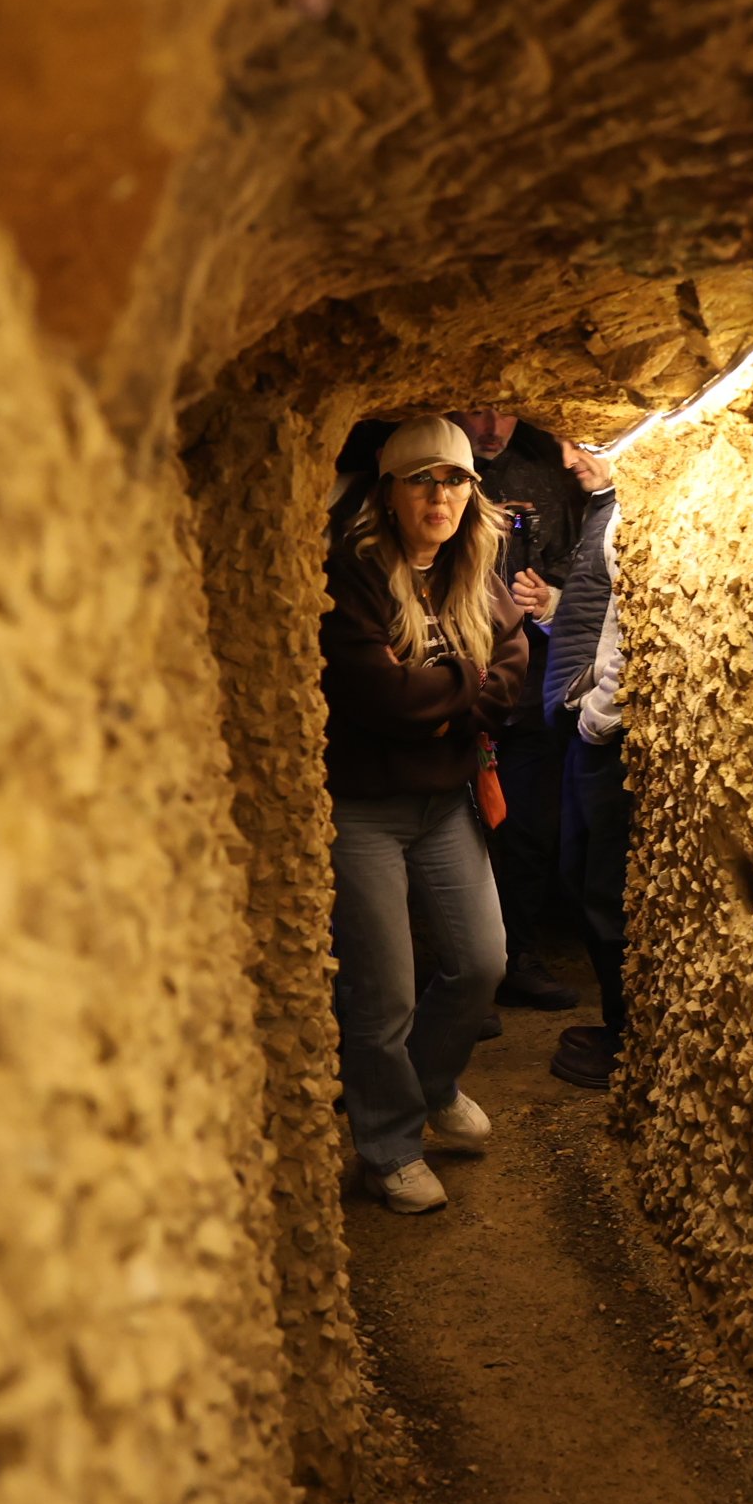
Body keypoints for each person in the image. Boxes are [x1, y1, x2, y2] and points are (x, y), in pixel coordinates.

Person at [321, 416, 527, 1214]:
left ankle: (433, 1085)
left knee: (481, 963)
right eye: (422, 481)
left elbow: (512, 675)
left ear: (471, 497)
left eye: (453, 482)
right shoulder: (358, 574)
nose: (439, 497)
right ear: (390, 493)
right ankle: (389, 1147)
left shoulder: (474, 572)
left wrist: (444, 697)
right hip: (366, 805)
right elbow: (376, 695)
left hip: (444, 802)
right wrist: (460, 693)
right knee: (384, 995)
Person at [455, 407, 584, 1012]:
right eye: (476, 410)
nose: (490, 425)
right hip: (451, 677)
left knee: (527, 825)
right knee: (454, 827)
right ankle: (459, 975)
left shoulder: (541, 475)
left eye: (503, 411)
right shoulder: (435, 472)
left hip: (525, 680)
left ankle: (517, 956)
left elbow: (574, 561)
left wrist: (549, 592)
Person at [546, 438, 631, 1088]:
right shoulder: (603, 506)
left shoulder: (629, 513)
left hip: (603, 736)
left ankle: (625, 1040)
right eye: (560, 444)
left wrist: (597, 714)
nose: (569, 458)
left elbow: (630, 628)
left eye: (581, 442)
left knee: (604, 889)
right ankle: (619, 1029)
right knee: (581, 873)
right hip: (588, 731)